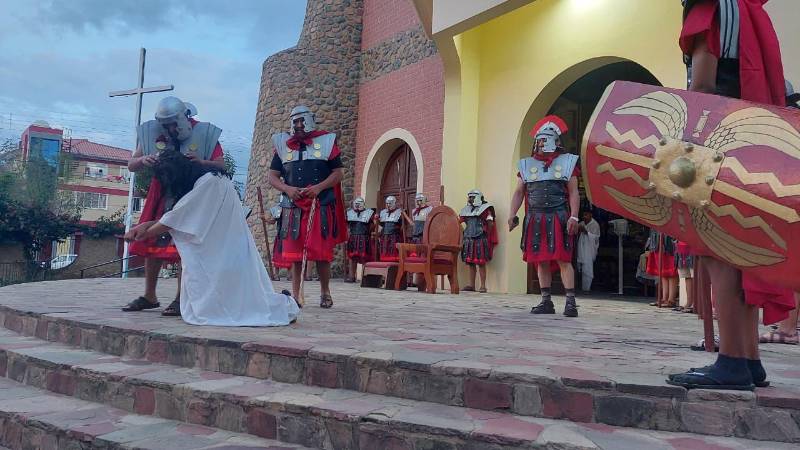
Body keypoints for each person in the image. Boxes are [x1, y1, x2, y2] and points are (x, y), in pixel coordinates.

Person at [668, 0, 794, 390]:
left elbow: (704, 85)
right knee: (744, 252)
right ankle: (750, 358)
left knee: (718, 251)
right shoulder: (746, 9)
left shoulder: (709, 9)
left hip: (720, 140)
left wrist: (681, 140)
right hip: (751, 140)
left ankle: (732, 360)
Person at [124, 151, 300, 326]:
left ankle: (279, 304)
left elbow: (178, 217)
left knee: (220, 303)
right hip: (227, 247)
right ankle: (276, 303)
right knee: (233, 295)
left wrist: (144, 232)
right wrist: (143, 227)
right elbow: (181, 216)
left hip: (221, 249)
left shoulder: (209, 184)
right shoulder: (211, 180)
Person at [123, 97, 226, 316]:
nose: (170, 128)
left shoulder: (205, 133)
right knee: (152, 243)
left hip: (190, 192)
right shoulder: (153, 133)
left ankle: (181, 298)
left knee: (183, 245)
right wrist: (144, 160)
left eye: (173, 123)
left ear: (184, 117)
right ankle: (149, 295)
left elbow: (221, 165)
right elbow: (131, 164)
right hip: (160, 192)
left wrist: (201, 162)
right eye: (166, 124)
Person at [268, 105, 347, 309]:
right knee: (295, 254)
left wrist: (319, 188)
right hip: (293, 205)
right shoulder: (282, 144)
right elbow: (273, 176)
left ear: (310, 120)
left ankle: (325, 292)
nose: (299, 125)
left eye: (302, 120)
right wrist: (287, 189)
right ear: (291, 123)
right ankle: (296, 296)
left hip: (319, 204)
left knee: (321, 254)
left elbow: (337, 173)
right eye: (296, 121)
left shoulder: (327, 141)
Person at [509, 115, 580, 317]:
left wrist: (574, 217)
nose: (541, 143)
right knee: (541, 260)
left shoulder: (568, 162)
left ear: (556, 141)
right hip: (536, 217)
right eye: (539, 140)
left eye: (545, 139)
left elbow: (574, 191)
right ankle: (546, 301)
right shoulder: (526, 165)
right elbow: (519, 192)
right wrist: (512, 214)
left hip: (559, 216)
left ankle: (570, 302)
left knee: (563, 259)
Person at [459, 189, 497, 293]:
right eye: (469, 197)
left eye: (472, 197)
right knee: (470, 262)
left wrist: (488, 230)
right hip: (469, 238)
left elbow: (490, 222)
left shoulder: (486, 209)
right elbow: (459, 221)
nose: (470, 199)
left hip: (480, 237)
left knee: (481, 263)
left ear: (478, 197)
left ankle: (483, 286)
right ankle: (471, 285)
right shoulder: (466, 209)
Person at [645, 231, 678, 308]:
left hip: (670, 240)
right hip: (657, 239)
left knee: (671, 271)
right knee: (662, 271)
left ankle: (671, 299)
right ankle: (664, 298)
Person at [345, 197, 374, 282]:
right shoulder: (349, 212)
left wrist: (375, 222)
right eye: (356, 204)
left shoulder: (369, 213)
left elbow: (373, 226)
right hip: (353, 237)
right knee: (352, 257)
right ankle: (351, 276)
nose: (357, 205)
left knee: (364, 257)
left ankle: (364, 277)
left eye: (359, 204)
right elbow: (347, 225)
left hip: (364, 237)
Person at [267, 196, 292, 280]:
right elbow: (273, 221)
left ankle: (289, 275)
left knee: (289, 255)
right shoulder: (278, 209)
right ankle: (276, 275)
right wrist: (265, 219)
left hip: (289, 234)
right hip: (280, 234)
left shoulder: (292, 207)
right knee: (277, 255)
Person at [576, 210, 600, 292]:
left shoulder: (595, 224)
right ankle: (579, 287)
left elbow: (596, 238)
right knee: (579, 267)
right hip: (581, 247)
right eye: (583, 215)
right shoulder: (582, 223)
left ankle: (586, 288)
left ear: (590, 215)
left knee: (587, 269)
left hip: (589, 249)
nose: (584, 217)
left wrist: (586, 232)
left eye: (586, 215)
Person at [376, 195, 404, 262]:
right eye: (387, 203)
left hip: (394, 236)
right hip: (384, 236)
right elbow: (381, 225)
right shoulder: (382, 212)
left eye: (390, 203)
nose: (388, 205)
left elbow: (402, 226)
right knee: (384, 255)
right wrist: (376, 220)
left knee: (394, 256)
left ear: (394, 203)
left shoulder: (400, 212)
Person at [674, 240, 695, 313]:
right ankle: (689, 302)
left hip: (693, 245)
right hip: (681, 247)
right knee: (687, 276)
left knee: (694, 276)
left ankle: (695, 303)